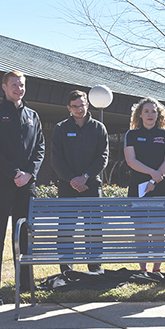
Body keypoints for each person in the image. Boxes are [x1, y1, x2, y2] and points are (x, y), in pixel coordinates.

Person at [0, 71, 45, 305]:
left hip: (27, 185)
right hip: (3, 183)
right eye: (14, 85)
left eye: (21, 85)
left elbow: (40, 147)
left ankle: (26, 281)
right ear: (4, 87)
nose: (18, 88)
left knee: (24, 235)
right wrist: (13, 173)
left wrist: (29, 174)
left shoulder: (33, 115)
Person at [51, 90, 109, 273]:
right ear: (69, 108)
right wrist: (71, 179)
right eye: (75, 106)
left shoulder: (99, 128)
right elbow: (56, 159)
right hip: (67, 186)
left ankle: (95, 270)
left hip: (91, 185)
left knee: (94, 230)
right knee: (66, 231)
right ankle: (67, 271)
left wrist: (85, 177)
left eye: (82, 105)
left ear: (87, 105)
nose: (79, 109)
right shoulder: (60, 128)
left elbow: (103, 157)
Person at [124, 97, 165, 272]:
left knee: (158, 230)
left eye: (153, 111)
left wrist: (154, 179)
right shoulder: (131, 135)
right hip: (138, 186)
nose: (150, 114)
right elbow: (131, 161)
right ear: (140, 114)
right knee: (140, 231)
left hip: (160, 184)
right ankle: (143, 269)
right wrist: (151, 173)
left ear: (158, 114)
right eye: (146, 111)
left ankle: (156, 269)